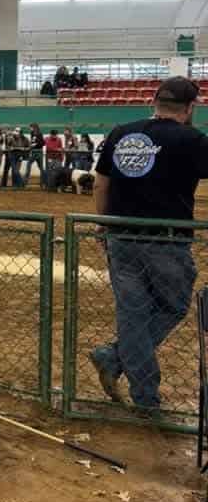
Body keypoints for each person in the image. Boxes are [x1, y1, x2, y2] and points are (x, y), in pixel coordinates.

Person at [90, 77, 208, 415]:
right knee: (173, 307)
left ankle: (134, 382)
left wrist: (105, 225)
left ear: (154, 103)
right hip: (165, 241)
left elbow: (100, 185)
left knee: (133, 314)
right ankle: (126, 373)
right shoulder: (192, 139)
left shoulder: (120, 132)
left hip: (121, 238)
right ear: (190, 108)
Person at [24, 122, 46, 188]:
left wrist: (35, 144)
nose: (30, 129)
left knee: (40, 167)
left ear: (34, 127)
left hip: (38, 151)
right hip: (34, 151)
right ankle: (43, 182)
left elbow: (42, 143)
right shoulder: (32, 134)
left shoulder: (39, 134)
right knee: (40, 167)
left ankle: (43, 182)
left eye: (31, 127)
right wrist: (31, 145)